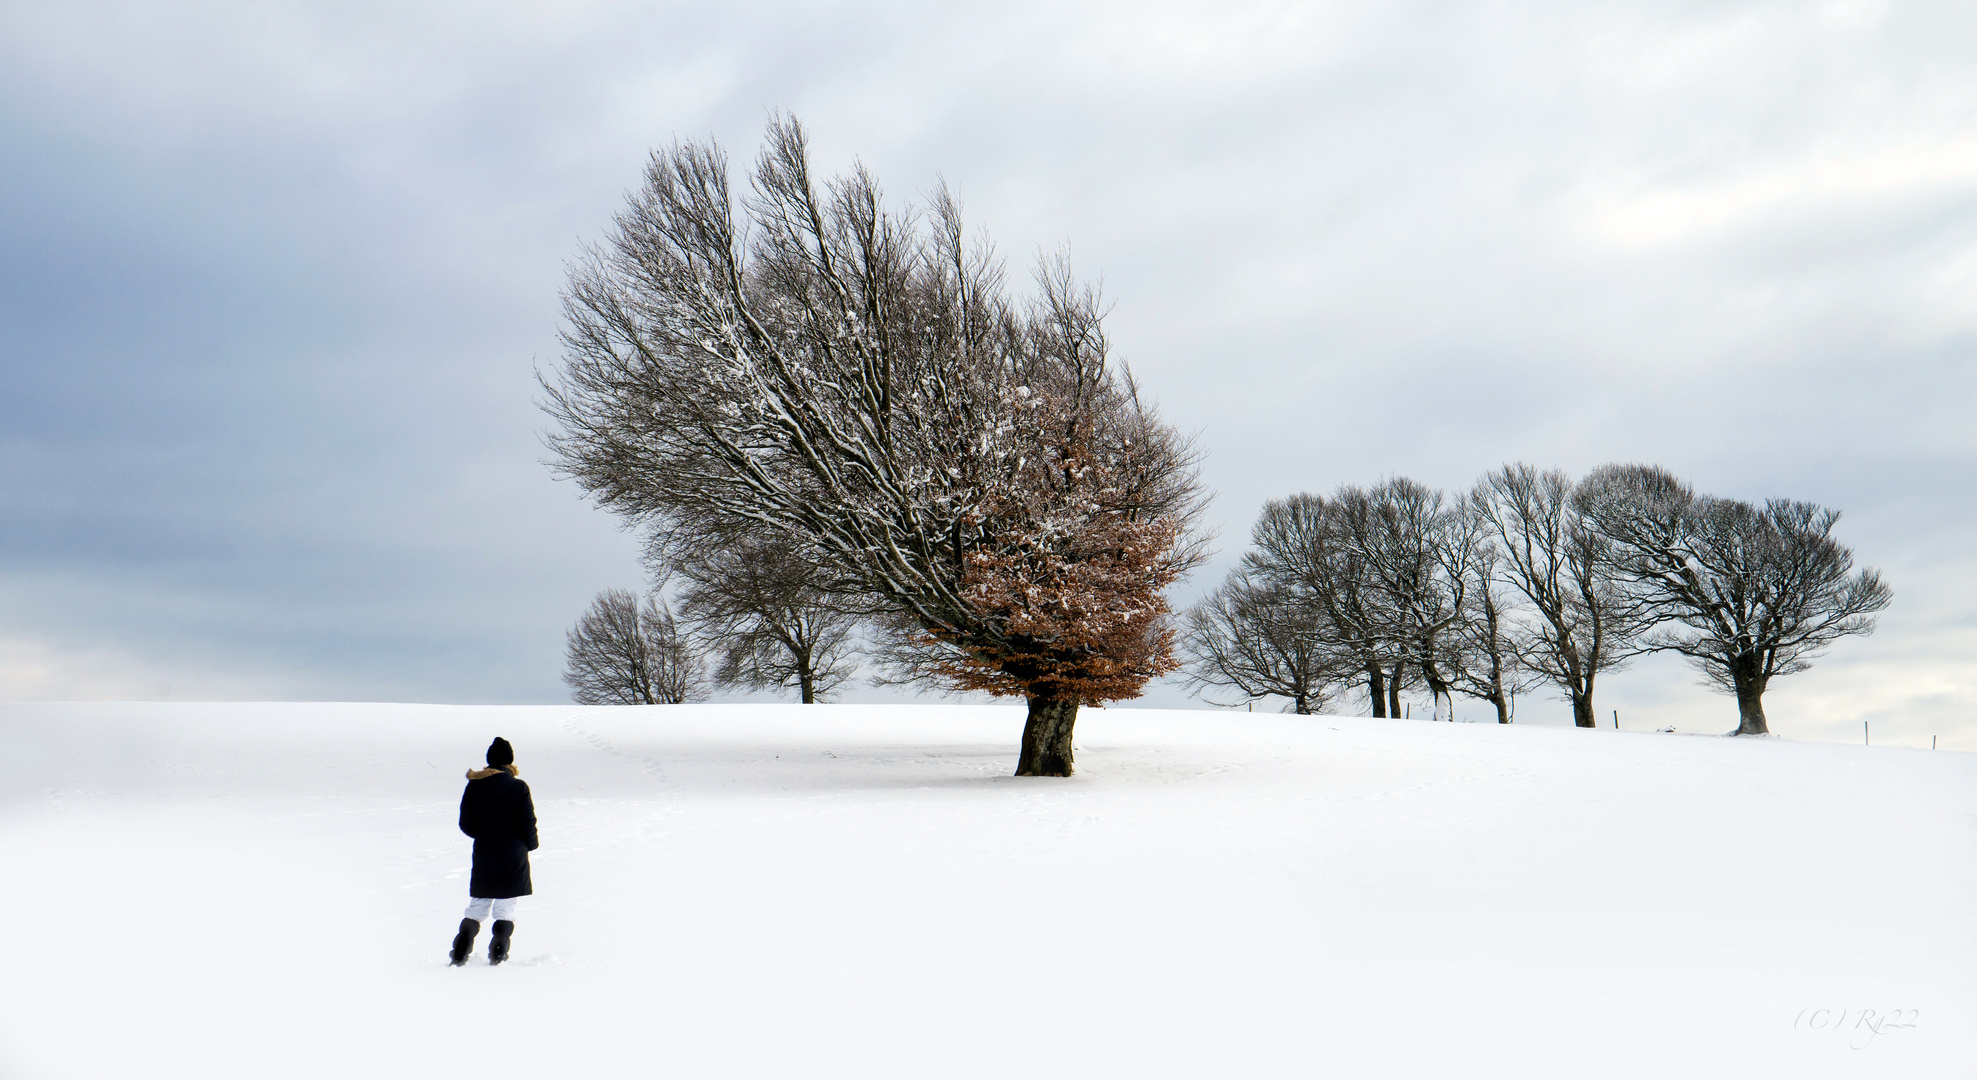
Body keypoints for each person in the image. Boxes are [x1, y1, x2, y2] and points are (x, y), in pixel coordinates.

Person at [448, 737, 539, 966]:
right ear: (510, 762)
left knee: (477, 905)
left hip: (485, 852)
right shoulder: (519, 787)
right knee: (505, 907)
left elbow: (466, 823)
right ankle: (498, 953)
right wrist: (530, 844)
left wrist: (485, 836)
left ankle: (460, 952)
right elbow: (528, 822)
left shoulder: (474, 786)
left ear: (489, 761)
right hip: (513, 854)